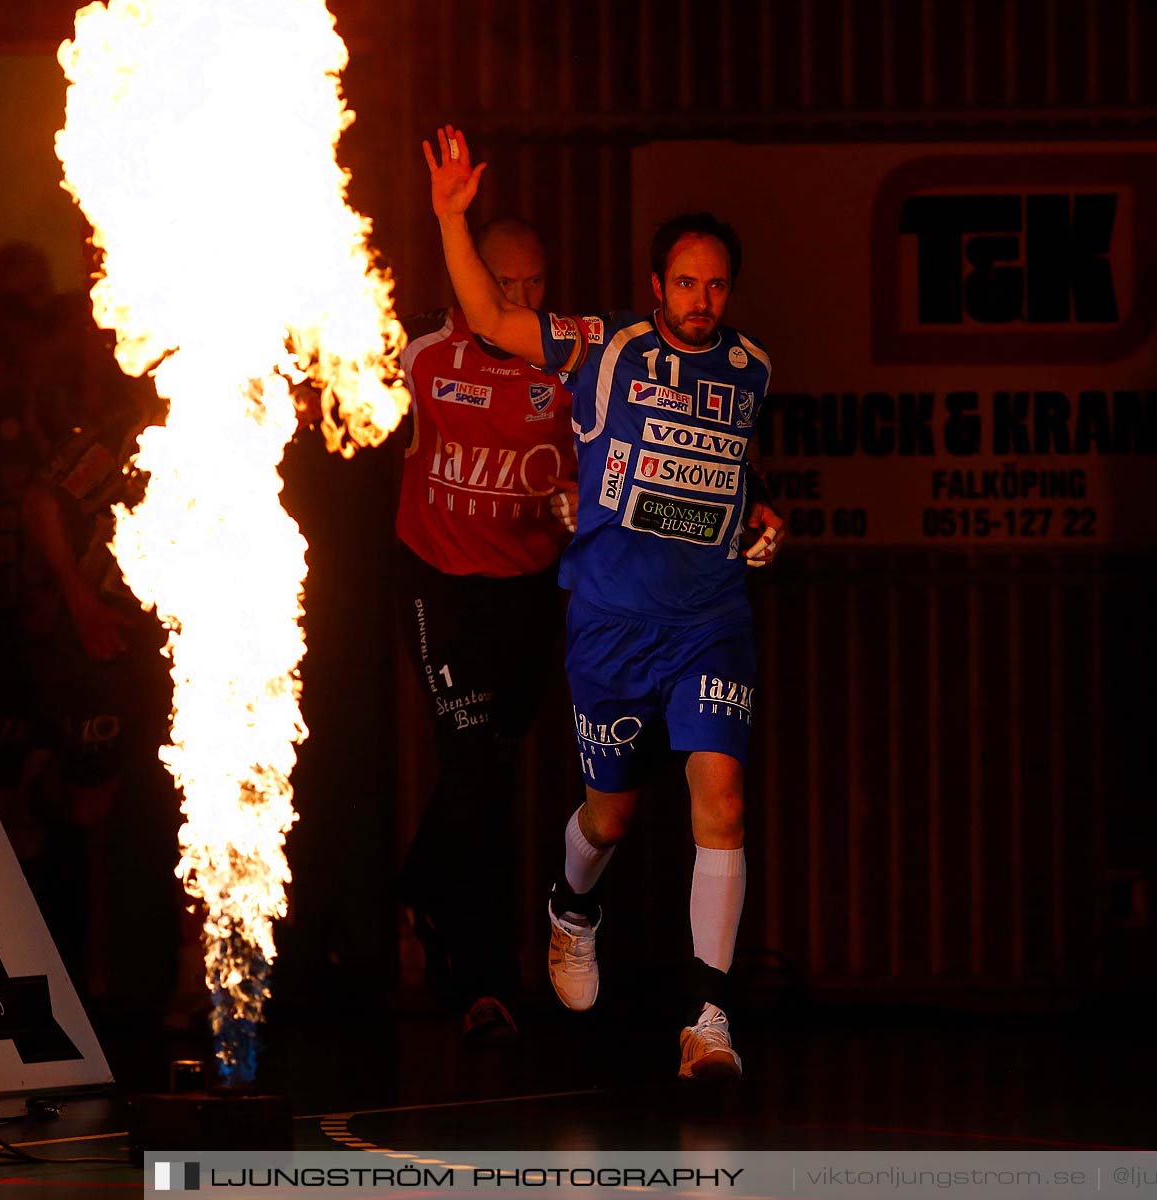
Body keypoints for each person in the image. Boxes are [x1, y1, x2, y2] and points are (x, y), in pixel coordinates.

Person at [423, 125, 783, 1079]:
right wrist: (452, 218)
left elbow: (737, 474)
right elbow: (495, 324)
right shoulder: (603, 348)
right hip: (612, 623)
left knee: (724, 800)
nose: (702, 302)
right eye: (686, 284)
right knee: (611, 818)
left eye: (717, 286)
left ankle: (710, 1020)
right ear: (657, 285)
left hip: (711, 619)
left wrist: (763, 518)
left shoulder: (751, 372)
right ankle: (572, 908)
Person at [391, 215, 577, 1042]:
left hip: (529, 590)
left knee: (492, 766)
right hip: (437, 581)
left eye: (534, 283)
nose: (520, 298)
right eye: (504, 283)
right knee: (473, 767)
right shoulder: (422, 349)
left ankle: (419, 887)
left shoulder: (575, 360)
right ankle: (483, 979)